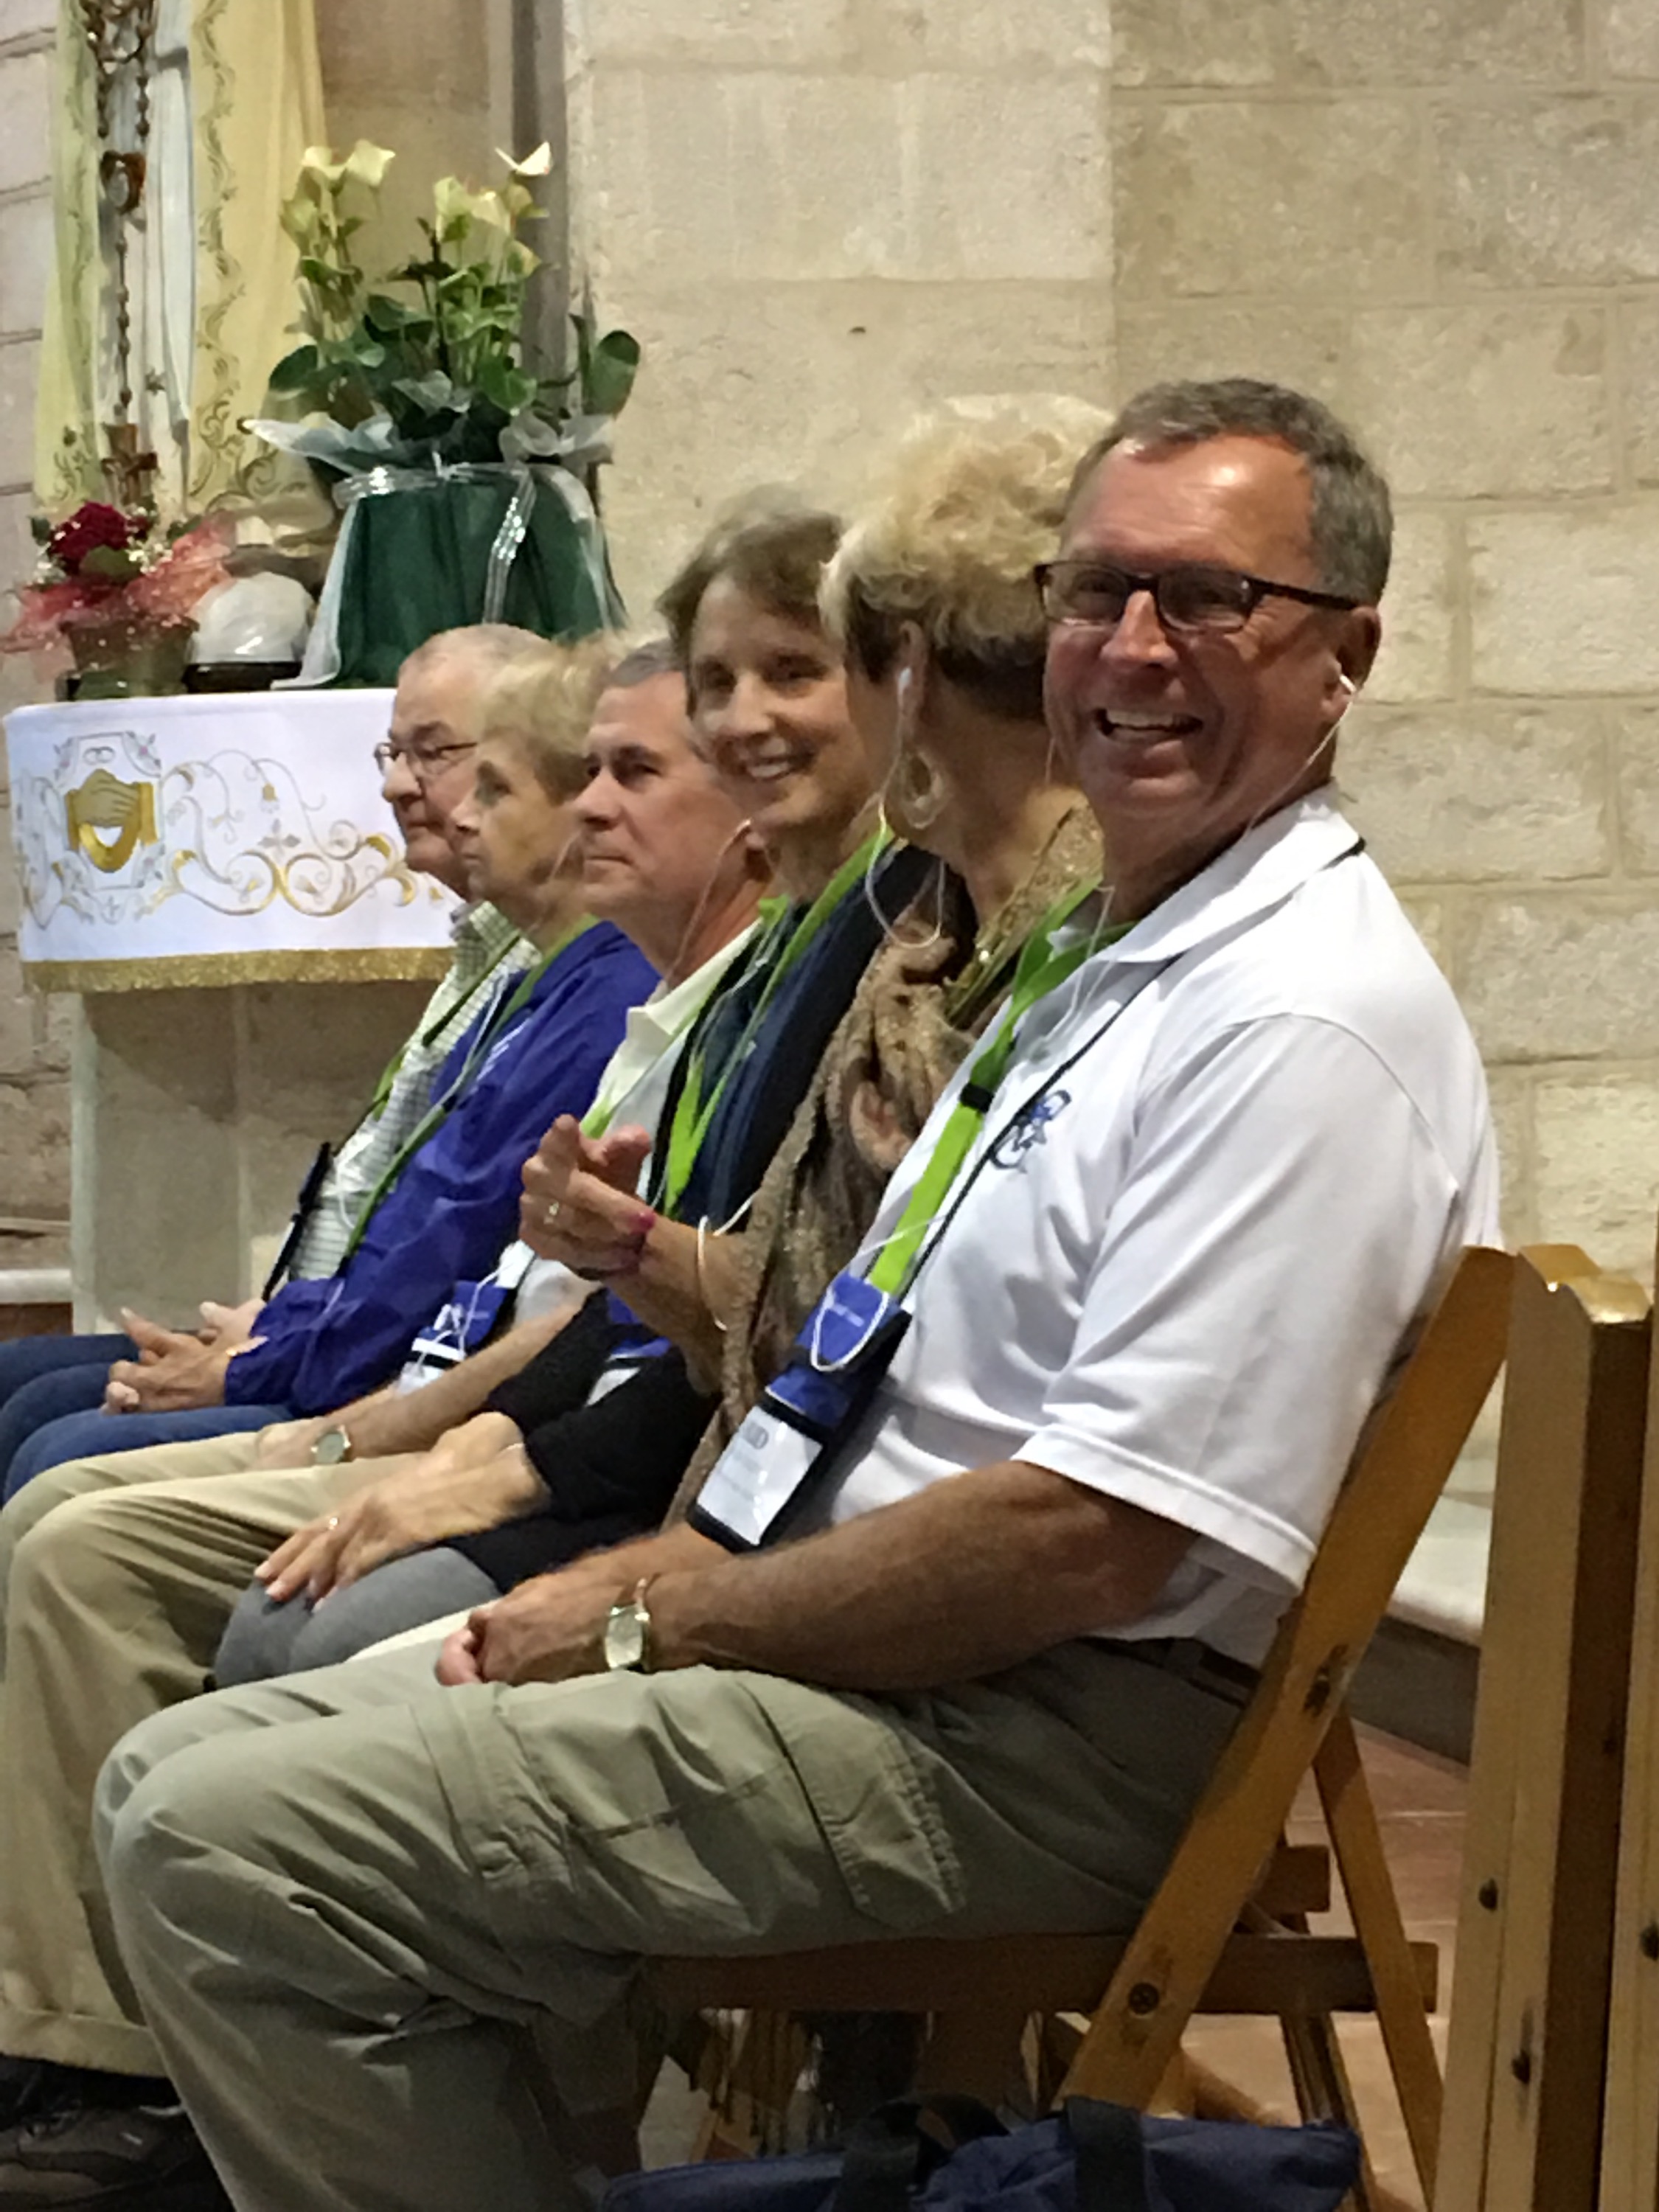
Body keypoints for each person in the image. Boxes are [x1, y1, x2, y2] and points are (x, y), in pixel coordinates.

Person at [95, 383, 1515, 2208]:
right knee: (171, 1776)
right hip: (900, 1651)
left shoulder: (1294, 1016)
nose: (1133, 648)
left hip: (1039, 1726)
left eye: (1212, 598)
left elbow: (1086, 1540)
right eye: (1095, 591)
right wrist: (668, 1553)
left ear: (1347, 656)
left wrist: (664, 1614)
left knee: (231, 1849)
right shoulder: (1113, 952)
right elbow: (867, 1341)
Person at [0, 641, 655, 1501]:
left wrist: (264, 1364)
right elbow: (408, 1214)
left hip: (414, 1386)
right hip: (359, 1352)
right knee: (34, 1399)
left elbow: (454, 1249)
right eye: (396, 754)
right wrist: (277, 1331)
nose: (444, 808)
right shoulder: (529, 973)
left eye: (479, 781)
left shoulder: (606, 995)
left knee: (63, 1458)